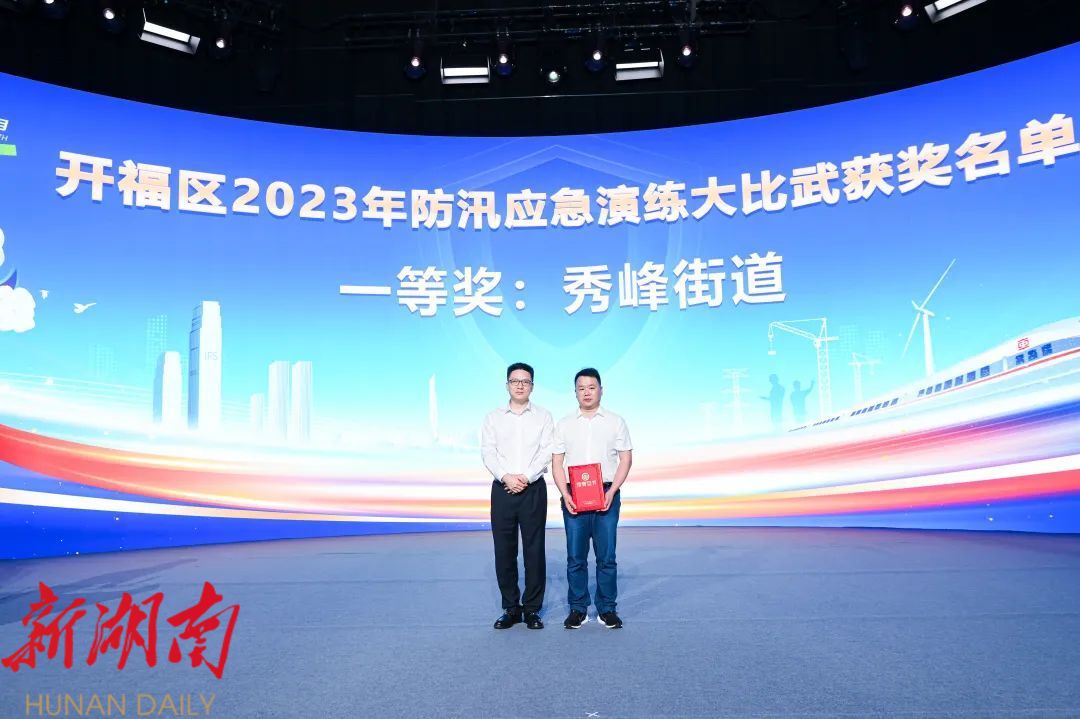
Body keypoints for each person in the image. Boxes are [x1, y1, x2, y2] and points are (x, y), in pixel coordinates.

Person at [551, 368, 633, 629]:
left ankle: (607, 609)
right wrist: (565, 494)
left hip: (607, 494)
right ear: (575, 392)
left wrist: (612, 491)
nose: (586, 392)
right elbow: (557, 462)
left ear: (601, 390)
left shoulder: (615, 421)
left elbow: (626, 459)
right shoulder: (564, 424)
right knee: (575, 557)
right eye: (581, 388)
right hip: (574, 495)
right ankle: (578, 609)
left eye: (591, 387)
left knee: (606, 556)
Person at [481, 362, 554, 630]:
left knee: (534, 550)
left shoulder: (544, 416)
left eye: (525, 381)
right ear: (507, 385)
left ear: (532, 386)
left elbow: (547, 451)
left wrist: (526, 477)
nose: (520, 385)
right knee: (504, 550)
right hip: (502, 489)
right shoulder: (493, 417)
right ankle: (511, 608)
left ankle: (532, 609)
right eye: (515, 381)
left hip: (533, 489)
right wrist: (506, 477)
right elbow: (488, 452)